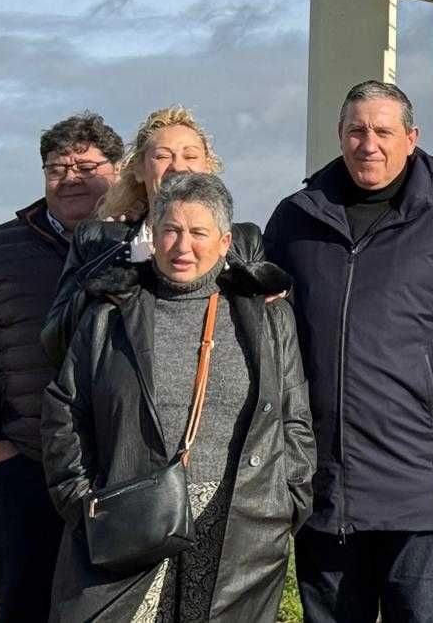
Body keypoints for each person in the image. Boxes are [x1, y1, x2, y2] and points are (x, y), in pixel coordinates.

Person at [266, 80, 433, 623]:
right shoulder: (296, 218)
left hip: (421, 483)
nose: (368, 144)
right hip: (323, 483)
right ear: (339, 135)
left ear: (411, 139)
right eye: (356, 131)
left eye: (382, 131)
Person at [42, 172, 314, 620]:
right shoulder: (110, 311)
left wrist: (288, 500)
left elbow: (294, 416)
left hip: (239, 525)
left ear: (225, 242)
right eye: (170, 230)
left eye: (198, 233)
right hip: (128, 518)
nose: (182, 246)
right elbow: (65, 410)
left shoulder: (269, 316)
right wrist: (81, 499)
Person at [0, 113, 124, 622]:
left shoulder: (147, 242)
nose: (70, 178)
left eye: (86, 167)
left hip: (119, 468)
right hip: (25, 463)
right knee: (22, 603)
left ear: (118, 168)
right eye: (57, 168)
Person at [42, 105, 262, 365]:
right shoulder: (98, 240)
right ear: (138, 169)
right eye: (162, 156)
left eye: (190, 155)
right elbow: (54, 341)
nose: (177, 166)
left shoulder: (245, 242)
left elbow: (273, 332)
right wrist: (105, 281)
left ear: (208, 167)